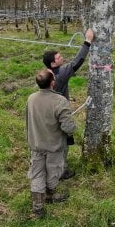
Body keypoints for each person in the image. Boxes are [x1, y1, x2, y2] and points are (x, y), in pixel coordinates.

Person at [42, 28, 93, 179]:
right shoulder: (61, 74)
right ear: (53, 63)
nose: (62, 57)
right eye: (59, 57)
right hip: (58, 115)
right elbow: (77, 62)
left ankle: (50, 166)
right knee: (61, 144)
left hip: (47, 114)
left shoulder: (46, 74)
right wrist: (88, 41)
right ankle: (60, 171)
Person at [26, 69, 76, 219]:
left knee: (37, 173)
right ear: (53, 83)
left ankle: (38, 207)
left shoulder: (31, 98)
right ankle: (50, 194)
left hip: (36, 143)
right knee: (53, 171)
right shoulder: (60, 101)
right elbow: (68, 127)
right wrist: (73, 125)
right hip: (54, 146)